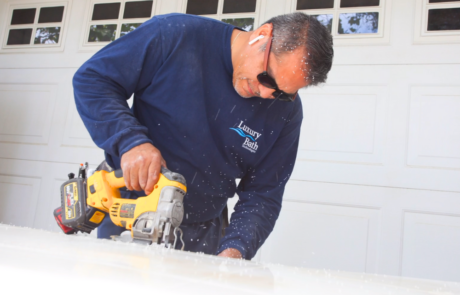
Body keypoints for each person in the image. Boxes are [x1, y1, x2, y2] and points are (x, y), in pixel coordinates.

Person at [73, 12, 333, 260]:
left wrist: (234, 252)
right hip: (130, 211)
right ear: (261, 36)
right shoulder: (174, 36)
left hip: (203, 230)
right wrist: (130, 142)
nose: (267, 95)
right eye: (267, 78)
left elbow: (264, 194)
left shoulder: (286, 113)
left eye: (282, 92)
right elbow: (94, 80)